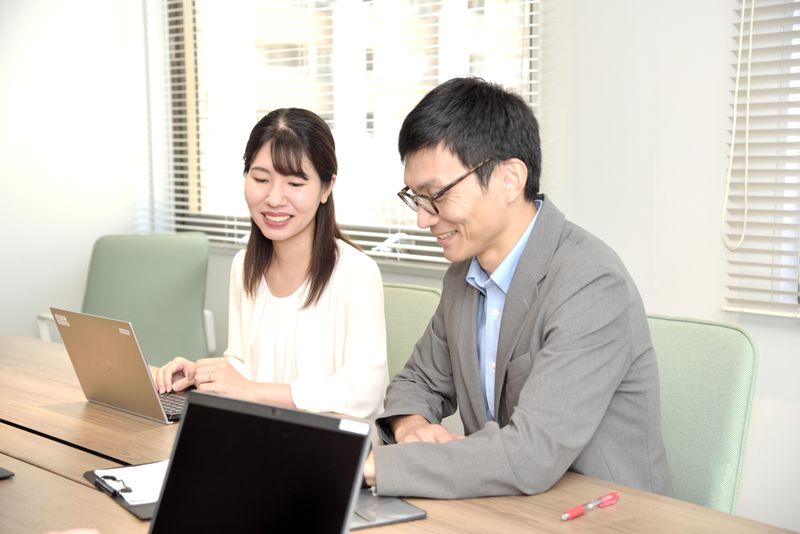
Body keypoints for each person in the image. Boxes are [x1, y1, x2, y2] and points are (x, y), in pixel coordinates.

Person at [362, 77, 672, 498]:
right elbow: (419, 380)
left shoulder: (591, 283)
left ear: (510, 179)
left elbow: (532, 453)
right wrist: (410, 425)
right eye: (416, 197)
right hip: (504, 506)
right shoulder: (463, 277)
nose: (423, 219)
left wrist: (378, 467)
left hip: (602, 514)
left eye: (437, 195)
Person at [155, 108, 388, 418]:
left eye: (295, 184)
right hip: (261, 432)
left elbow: (363, 392)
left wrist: (251, 391)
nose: (275, 199)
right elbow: (243, 364)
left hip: (331, 441)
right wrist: (202, 374)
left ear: (326, 187)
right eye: (261, 179)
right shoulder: (244, 266)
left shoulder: (356, 272)